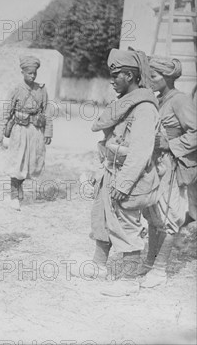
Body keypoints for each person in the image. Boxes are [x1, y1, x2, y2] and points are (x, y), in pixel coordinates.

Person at [87, 48, 160, 297]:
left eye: (116, 75)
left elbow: (140, 151)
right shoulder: (124, 104)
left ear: (129, 75)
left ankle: (129, 280)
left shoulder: (144, 109)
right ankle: (98, 265)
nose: (112, 80)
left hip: (130, 178)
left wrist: (124, 183)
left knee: (127, 224)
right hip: (112, 172)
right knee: (104, 218)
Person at [141, 56, 197, 288]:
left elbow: (195, 131)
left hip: (172, 164)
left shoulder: (180, 100)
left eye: (154, 77)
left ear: (167, 77)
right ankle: (149, 263)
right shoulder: (159, 100)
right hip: (156, 164)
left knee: (169, 214)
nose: (150, 81)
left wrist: (170, 145)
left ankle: (160, 269)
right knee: (154, 213)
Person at [0, 56, 52, 211]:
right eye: (29, 73)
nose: (32, 76)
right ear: (22, 72)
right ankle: (15, 196)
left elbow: (47, 111)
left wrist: (48, 132)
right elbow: (6, 112)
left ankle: (16, 194)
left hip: (35, 131)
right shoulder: (16, 90)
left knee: (30, 164)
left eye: (34, 73)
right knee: (17, 162)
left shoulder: (41, 89)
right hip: (19, 130)